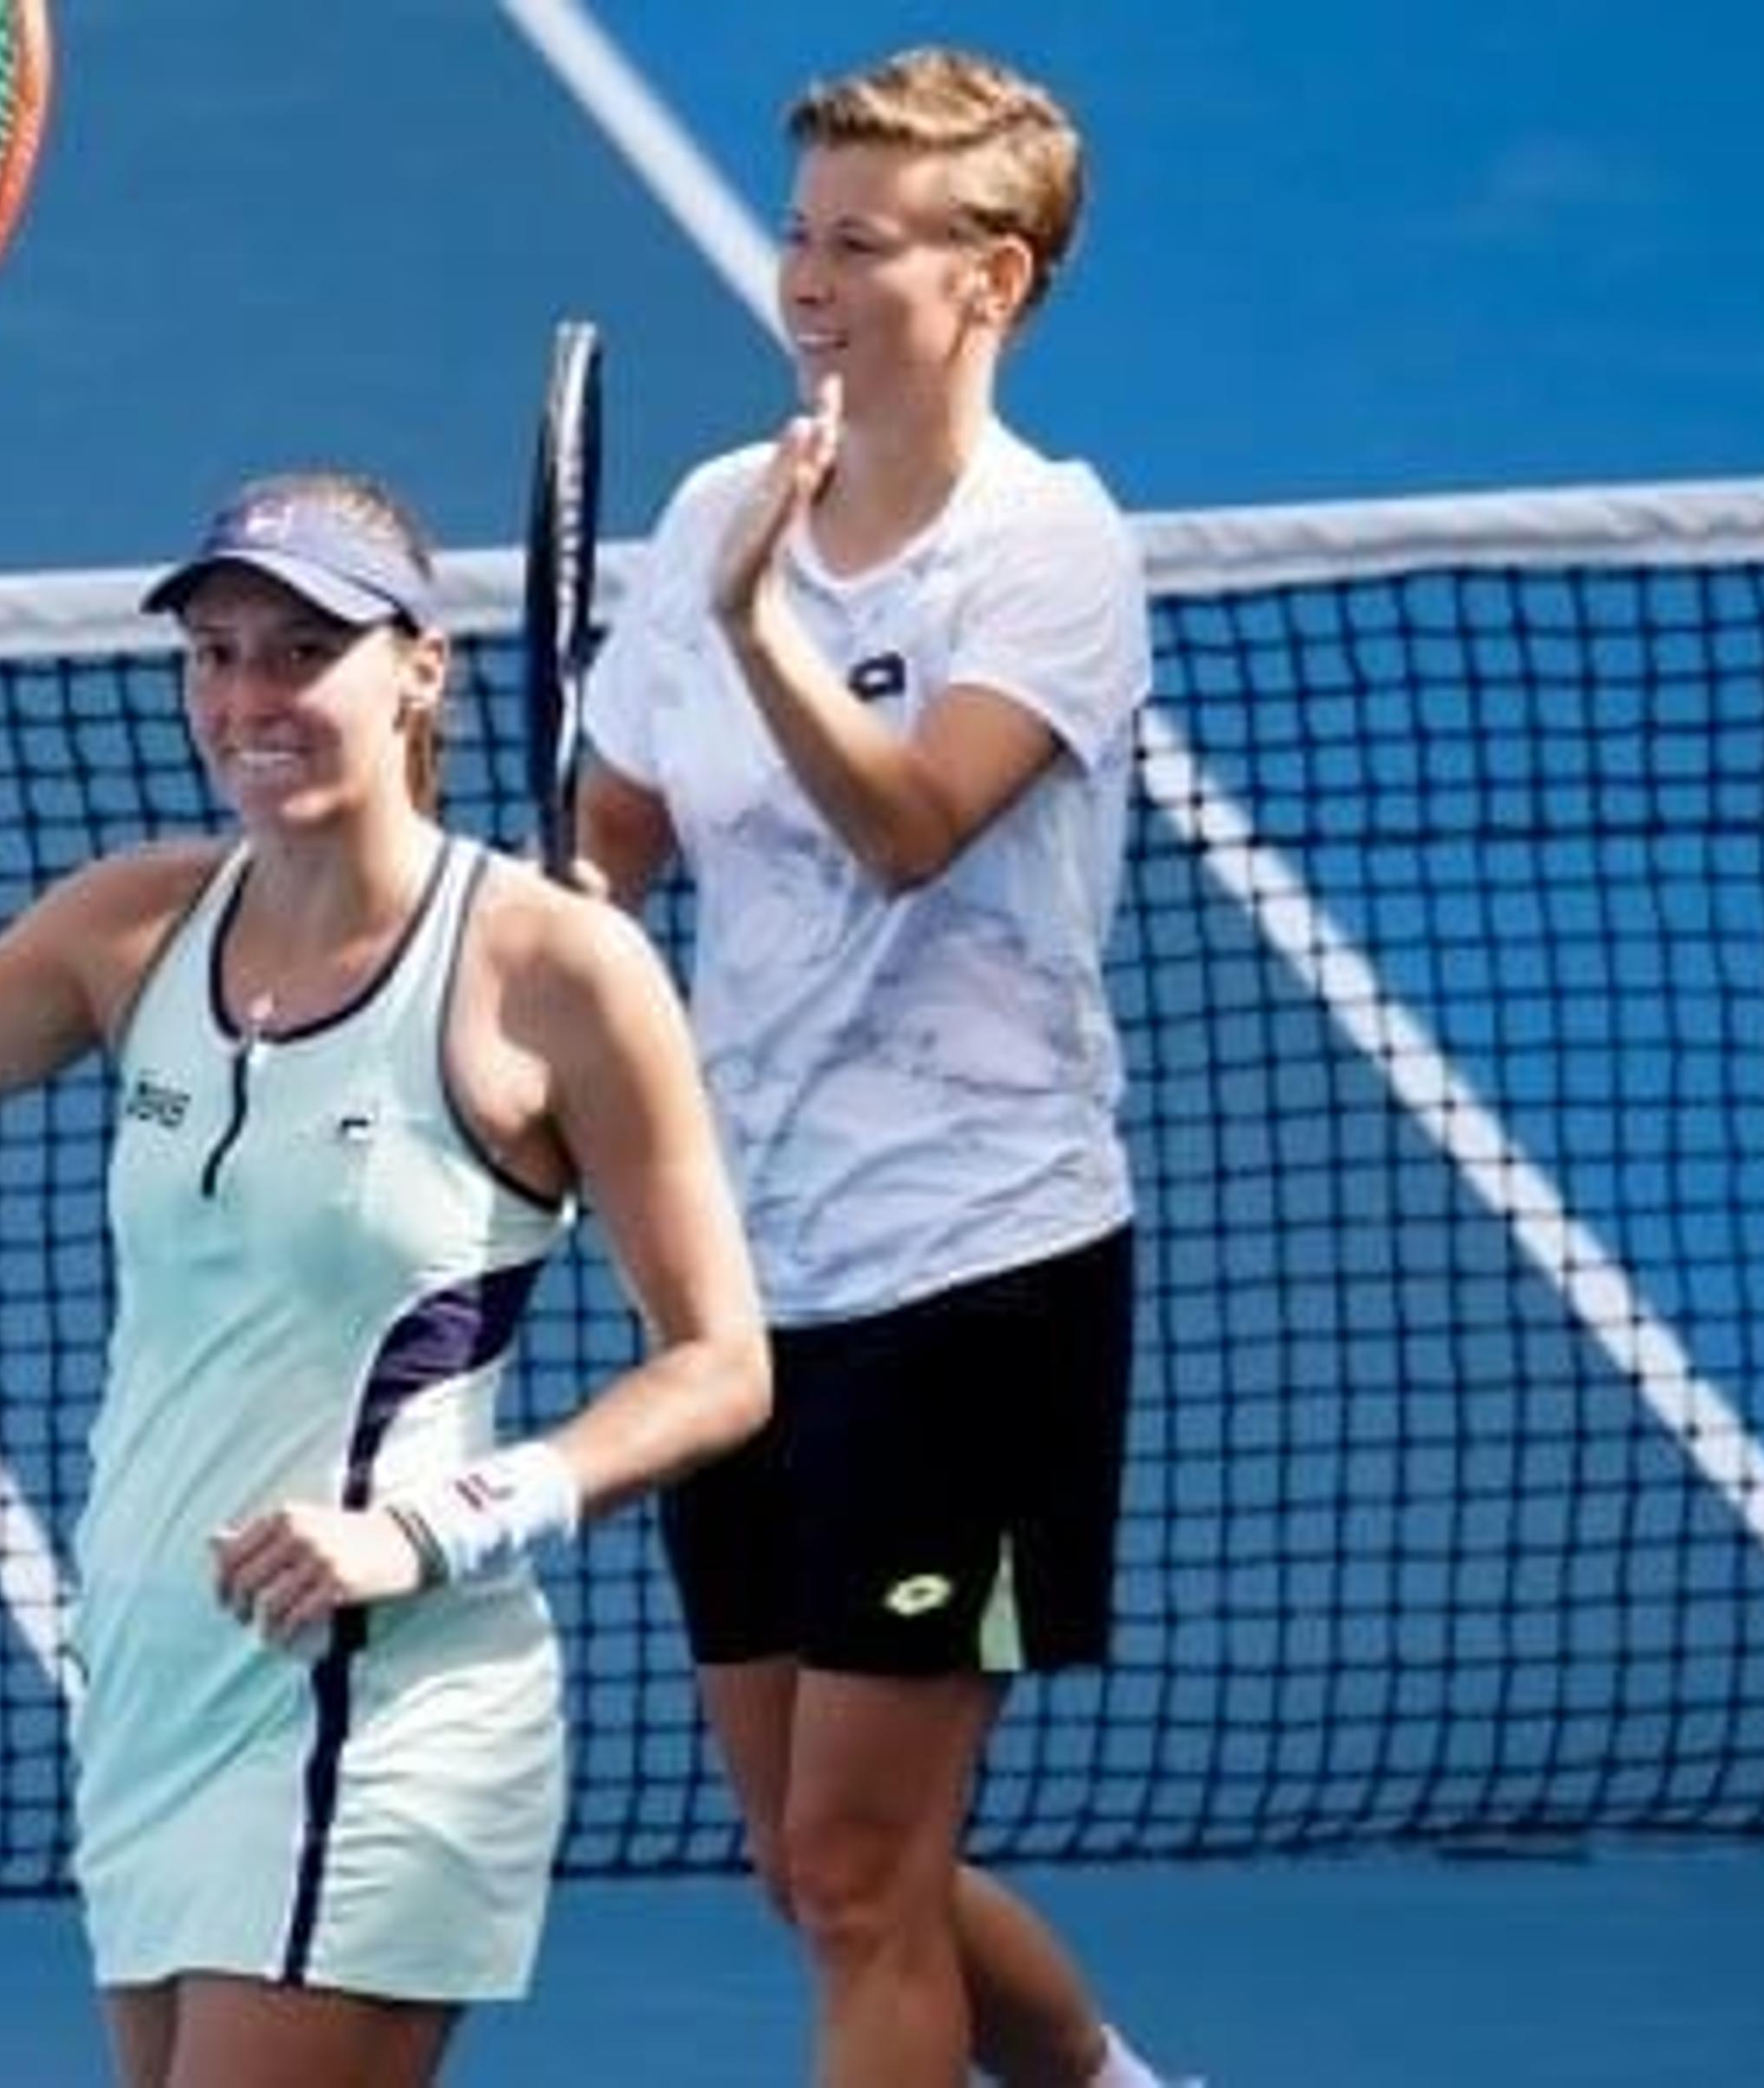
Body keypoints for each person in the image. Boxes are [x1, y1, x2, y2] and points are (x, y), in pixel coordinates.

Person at [0, 472, 770, 2088]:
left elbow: (721, 1364)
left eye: (302, 651)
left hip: (375, 1705)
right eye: (217, 653)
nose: (249, 698)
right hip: (156, 1684)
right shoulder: (133, 927)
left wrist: (431, 1527)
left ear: (418, 665)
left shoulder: (554, 972)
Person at [572, 46, 1178, 2088]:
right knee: (809, 1861)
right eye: (799, 233)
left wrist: (757, 626)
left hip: (979, 1284)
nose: (808, 280)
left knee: (856, 1868)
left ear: (990, 279)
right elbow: (617, 833)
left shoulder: (1051, 552)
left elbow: (912, 825)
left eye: (862, 240)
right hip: (738, 1294)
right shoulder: (705, 514)